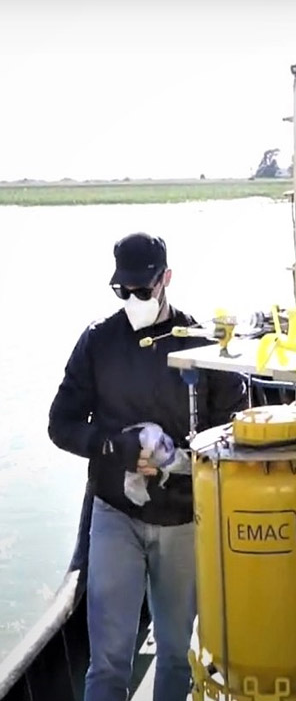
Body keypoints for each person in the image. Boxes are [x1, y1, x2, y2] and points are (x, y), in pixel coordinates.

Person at [48, 232, 247, 701]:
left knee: (177, 654)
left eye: (143, 289)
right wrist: (115, 447)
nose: (133, 298)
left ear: (166, 280)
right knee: (109, 662)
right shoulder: (97, 342)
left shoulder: (200, 344)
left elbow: (231, 429)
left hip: (181, 520)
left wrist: (178, 456)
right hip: (115, 514)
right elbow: (61, 424)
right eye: (123, 291)